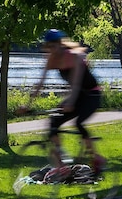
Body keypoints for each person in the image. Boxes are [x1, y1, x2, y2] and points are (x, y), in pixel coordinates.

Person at [28, 29, 106, 174]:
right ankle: (61, 165)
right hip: (77, 96)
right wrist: (27, 105)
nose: (51, 50)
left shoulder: (74, 57)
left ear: (60, 44)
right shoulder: (51, 60)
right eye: (49, 47)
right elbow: (40, 84)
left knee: (78, 123)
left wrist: (69, 102)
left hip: (92, 95)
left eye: (54, 46)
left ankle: (96, 158)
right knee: (53, 123)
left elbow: (76, 84)